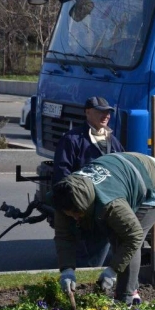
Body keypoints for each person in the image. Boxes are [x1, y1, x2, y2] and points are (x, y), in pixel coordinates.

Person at [53, 152, 155, 305]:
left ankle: (126, 299)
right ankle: (130, 287)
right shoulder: (63, 196)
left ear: (85, 205)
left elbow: (133, 237)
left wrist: (112, 271)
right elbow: (64, 236)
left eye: (77, 213)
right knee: (116, 236)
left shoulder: (111, 204)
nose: (75, 218)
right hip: (123, 168)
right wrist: (66, 270)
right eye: (70, 215)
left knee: (125, 238)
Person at [52, 96, 125, 267]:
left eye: (108, 112)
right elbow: (62, 174)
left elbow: (122, 170)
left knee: (102, 249)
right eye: (101, 111)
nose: (106, 115)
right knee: (83, 256)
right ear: (87, 112)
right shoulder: (72, 139)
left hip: (107, 206)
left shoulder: (113, 141)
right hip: (82, 209)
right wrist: (75, 205)